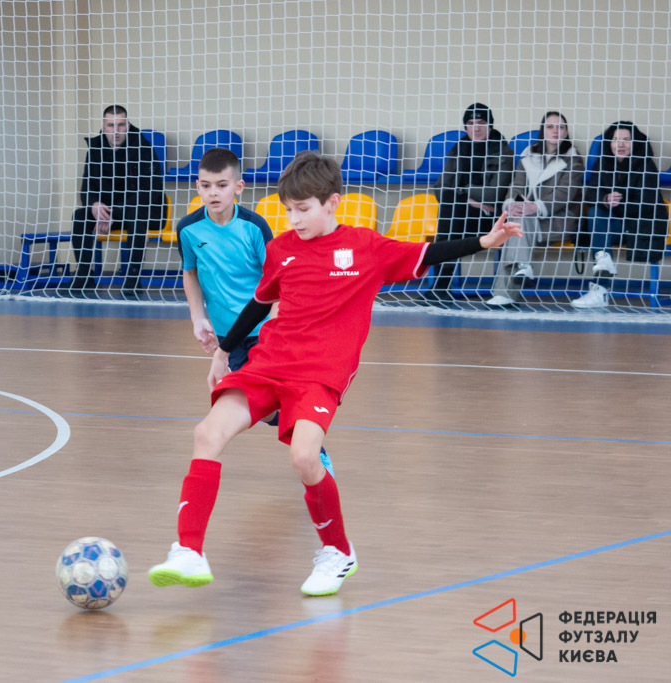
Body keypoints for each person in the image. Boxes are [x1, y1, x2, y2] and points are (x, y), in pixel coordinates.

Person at [147, 152, 521, 596]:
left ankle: (338, 552)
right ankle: (189, 551)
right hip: (269, 363)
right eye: (288, 210)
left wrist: (484, 242)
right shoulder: (281, 250)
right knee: (207, 434)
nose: (293, 219)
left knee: (305, 458)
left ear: (332, 203)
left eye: (303, 209)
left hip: (320, 374)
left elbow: (427, 252)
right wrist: (223, 353)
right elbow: (259, 305)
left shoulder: (365, 248)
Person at [179, 147, 334, 474]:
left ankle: (312, 451)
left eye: (221, 185)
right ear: (197, 187)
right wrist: (197, 318)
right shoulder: (188, 229)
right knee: (263, 406)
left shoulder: (254, 227)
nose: (213, 193)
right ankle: (308, 444)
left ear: (239, 187)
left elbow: (277, 279)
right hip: (229, 335)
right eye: (206, 186)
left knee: (269, 396)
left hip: (264, 328)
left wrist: (276, 325)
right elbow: (190, 273)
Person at [65, 105, 165, 299]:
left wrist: (116, 211)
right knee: (80, 215)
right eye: (111, 125)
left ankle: (133, 278)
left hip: (140, 212)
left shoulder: (143, 148)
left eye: (121, 125)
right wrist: (94, 205)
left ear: (128, 125)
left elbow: (150, 191)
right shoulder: (95, 150)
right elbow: (87, 187)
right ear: (104, 126)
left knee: (136, 212)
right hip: (109, 212)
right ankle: (84, 275)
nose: (116, 131)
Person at [487, 111, 585, 307]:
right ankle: (522, 267)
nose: (555, 131)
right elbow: (517, 185)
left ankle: (506, 291)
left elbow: (564, 194)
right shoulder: (528, 155)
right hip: (528, 219)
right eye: (550, 126)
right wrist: (512, 203)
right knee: (517, 222)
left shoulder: (574, 159)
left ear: (566, 132)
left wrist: (535, 207)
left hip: (559, 220)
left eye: (561, 127)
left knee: (515, 227)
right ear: (543, 130)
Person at [571, 121, 669, 309]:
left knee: (600, 219)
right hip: (610, 226)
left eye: (626, 139)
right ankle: (601, 281)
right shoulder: (602, 162)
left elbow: (646, 204)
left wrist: (618, 204)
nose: (621, 144)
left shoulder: (646, 165)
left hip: (637, 226)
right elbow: (591, 193)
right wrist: (605, 199)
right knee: (595, 212)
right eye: (616, 139)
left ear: (635, 143)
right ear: (609, 142)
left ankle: (600, 287)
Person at [426, 102, 516, 302]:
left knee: (450, 216)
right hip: (460, 213)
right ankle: (440, 287)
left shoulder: (503, 151)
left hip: (490, 218)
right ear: (465, 126)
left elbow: (494, 194)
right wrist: (468, 200)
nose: (476, 128)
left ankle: (440, 286)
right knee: (451, 208)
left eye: (481, 122)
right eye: (471, 123)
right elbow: (440, 187)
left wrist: (463, 192)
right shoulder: (459, 148)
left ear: (490, 125)